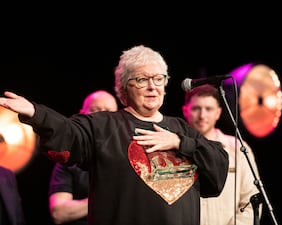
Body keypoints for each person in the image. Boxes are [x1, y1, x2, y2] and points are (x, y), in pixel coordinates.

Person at [0, 45, 229, 225]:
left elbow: (217, 167)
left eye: (159, 79)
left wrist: (180, 142)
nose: (152, 86)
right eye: (141, 79)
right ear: (123, 88)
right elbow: (68, 133)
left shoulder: (182, 129)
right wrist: (35, 113)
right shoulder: (103, 126)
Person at [182, 84, 262, 225]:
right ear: (185, 110)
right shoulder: (175, 149)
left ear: (218, 113)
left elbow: (251, 201)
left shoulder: (238, 148)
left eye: (209, 109)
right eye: (196, 108)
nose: (202, 115)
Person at [48, 90, 118, 225]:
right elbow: (59, 212)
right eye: (95, 110)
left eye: (108, 111)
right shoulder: (68, 160)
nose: (102, 116)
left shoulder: (128, 156)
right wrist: (105, 199)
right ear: (82, 115)